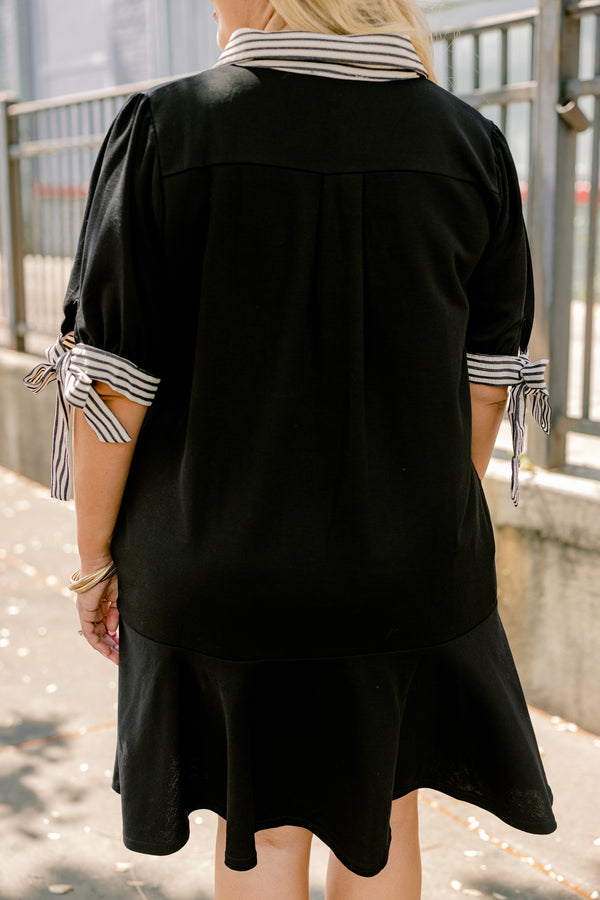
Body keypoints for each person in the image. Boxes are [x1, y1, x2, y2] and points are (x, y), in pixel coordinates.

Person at [24, 0, 556, 896]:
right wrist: (417, 529)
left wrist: (93, 563)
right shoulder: (468, 143)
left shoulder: (169, 128)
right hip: (409, 573)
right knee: (383, 820)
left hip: (221, 568)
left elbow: (111, 383)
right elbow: (489, 382)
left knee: (262, 833)